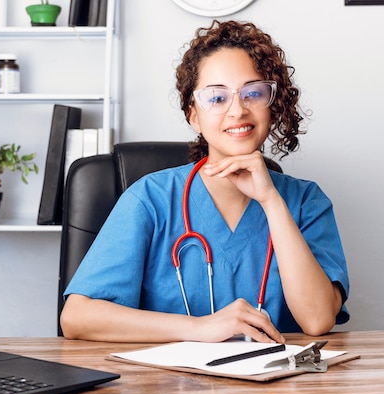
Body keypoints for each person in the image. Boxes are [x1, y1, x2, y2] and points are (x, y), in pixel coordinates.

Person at [60, 20, 349, 344]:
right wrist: (202, 328)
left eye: (253, 93)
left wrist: (271, 202)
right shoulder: (149, 199)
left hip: (276, 389)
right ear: (193, 114)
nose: (238, 110)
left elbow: (317, 320)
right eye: (216, 97)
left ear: (272, 105)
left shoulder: (305, 201)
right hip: (169, 389)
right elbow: (77, 317)